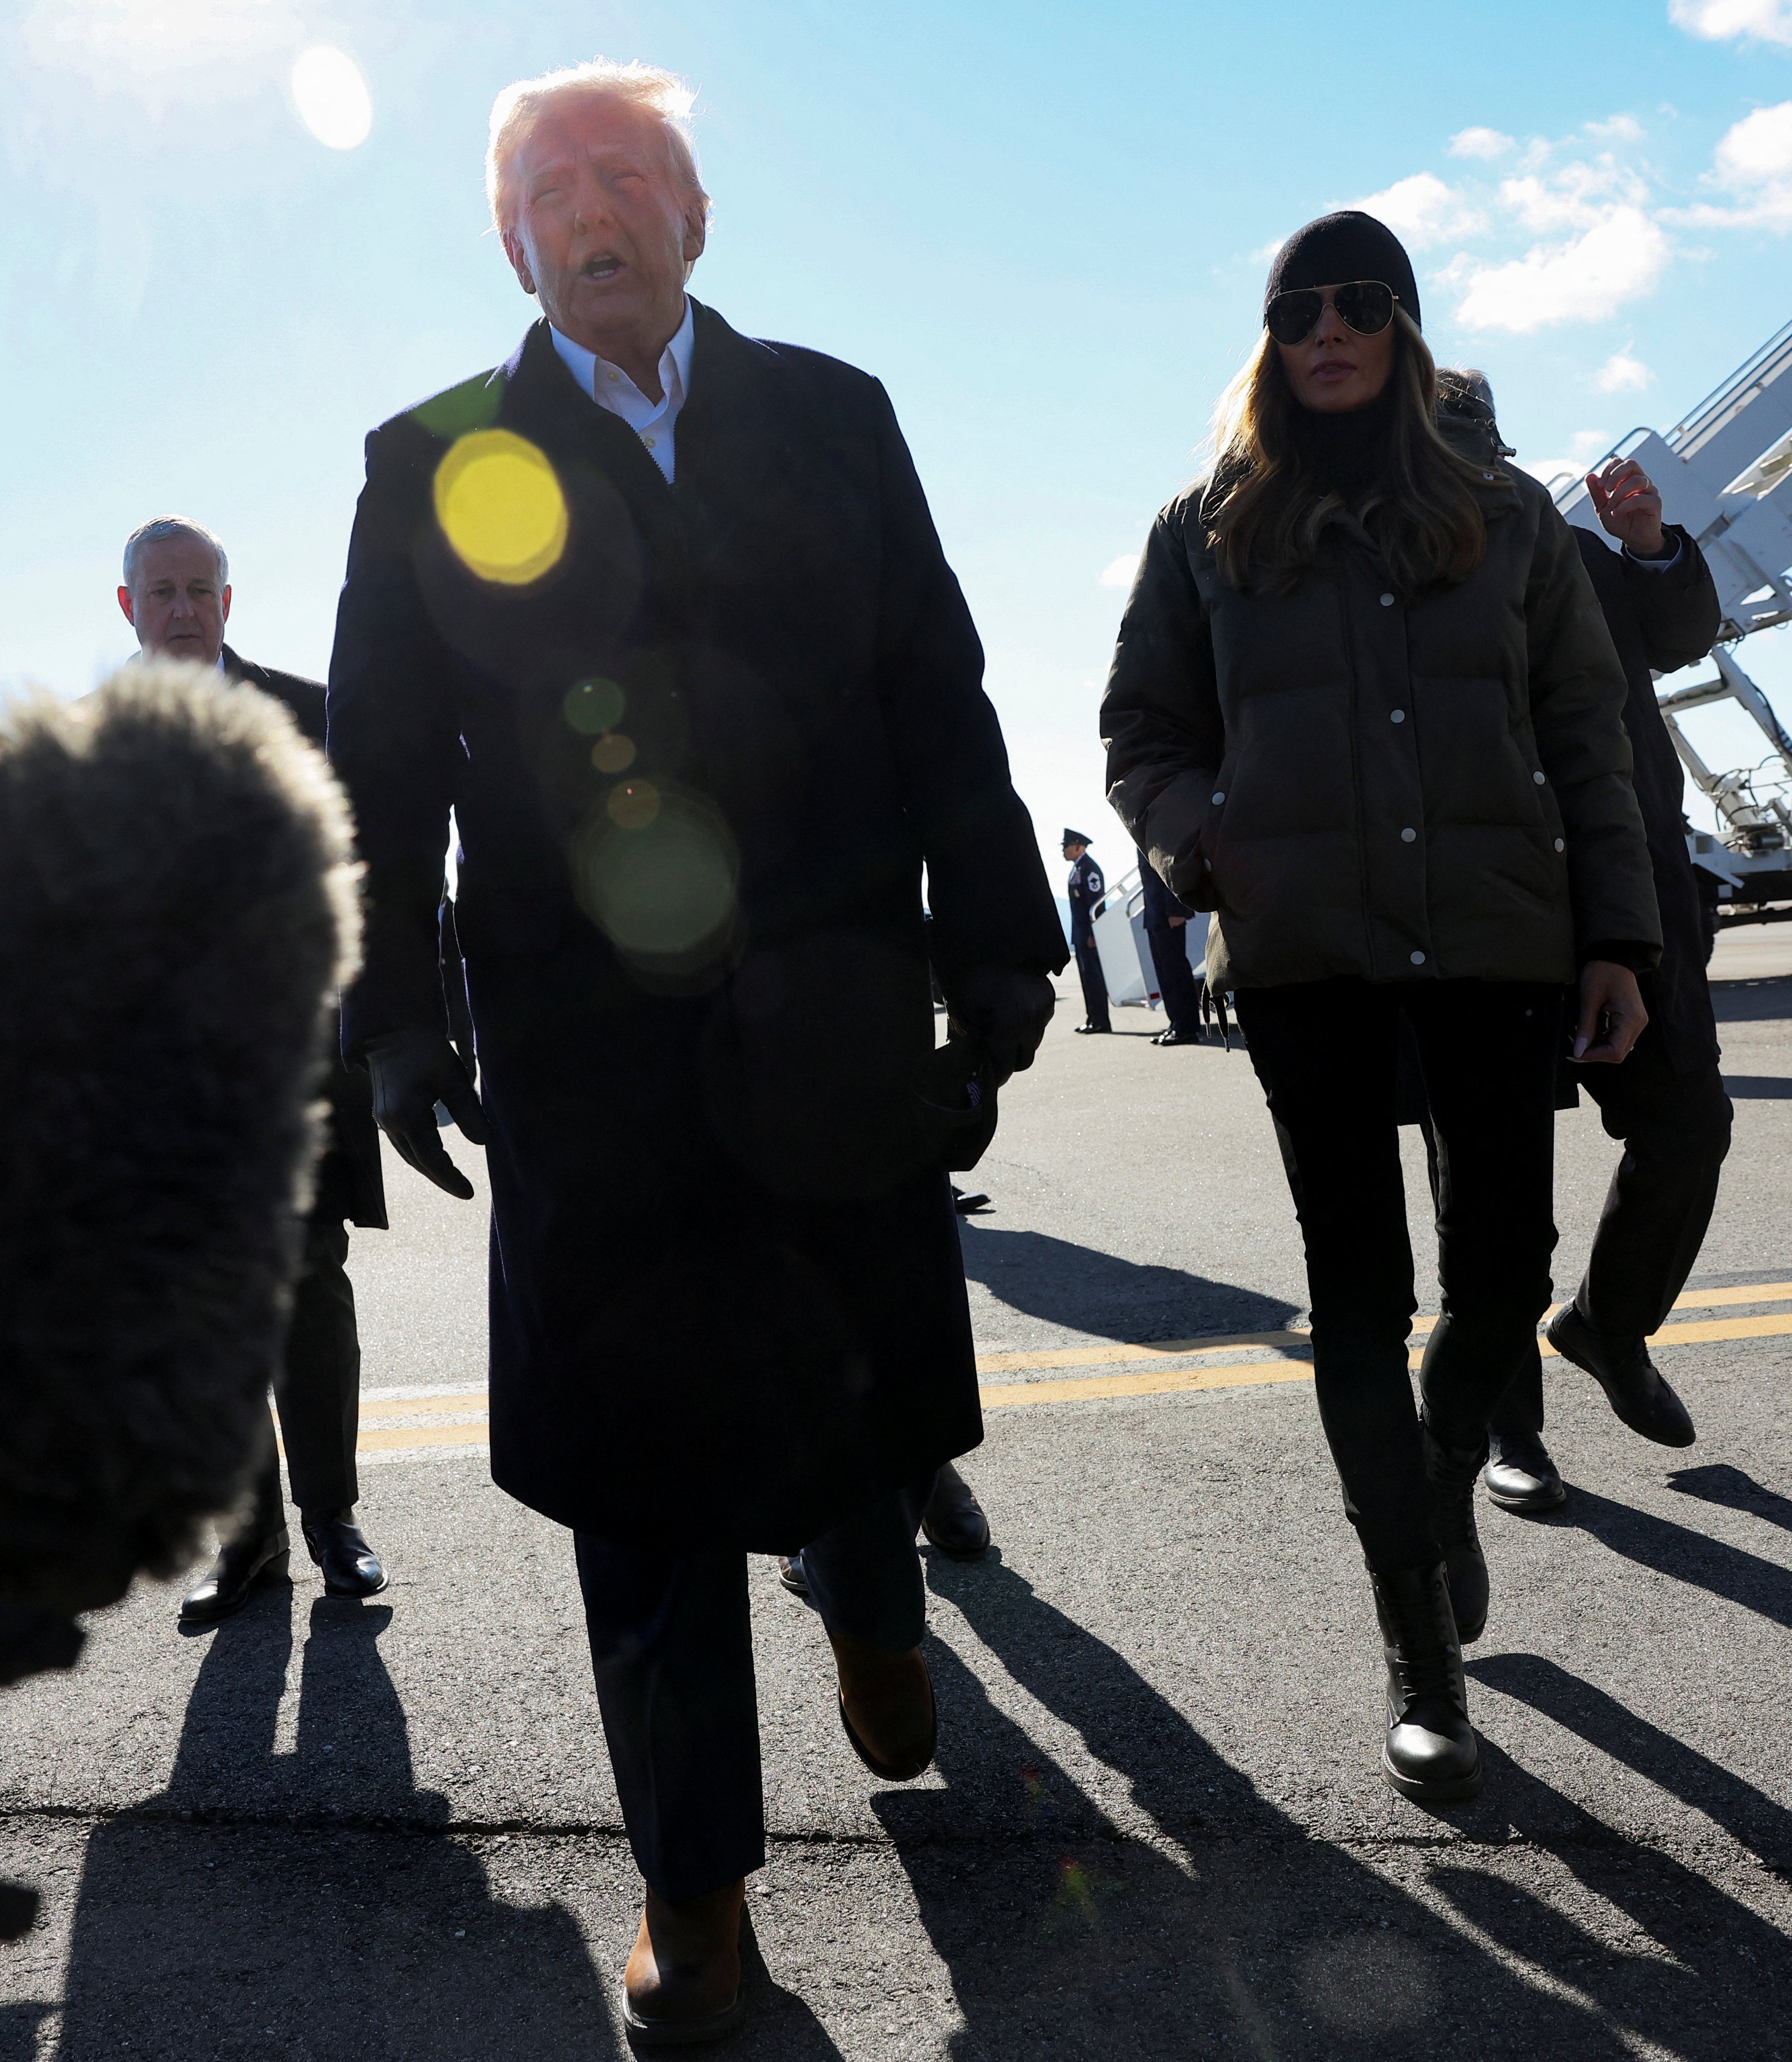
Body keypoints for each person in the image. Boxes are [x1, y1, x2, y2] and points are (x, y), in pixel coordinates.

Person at [326, 62, 1062, 2040]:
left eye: (624, 169)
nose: (592, 204)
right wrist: (395, 1019)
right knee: (639, 1467)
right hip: (582, 1045)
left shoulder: (832, 413)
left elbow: (941, 690)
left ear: (689, 213)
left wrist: (998, 939)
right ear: (511, 242)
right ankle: (694, 1879)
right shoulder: (430, 459)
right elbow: (376, 782)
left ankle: (879, 1597)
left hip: (828, 999)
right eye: (549, 183)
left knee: (852, 1379)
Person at [1099, 211, 1661, 1805]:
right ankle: (1418, 1651)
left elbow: (1586, 734)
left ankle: (1431, 1472)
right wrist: (1202, 835)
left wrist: (1616, 933)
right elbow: (1138, 728)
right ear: (1267, 339)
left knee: (1501, 1277)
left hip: (1496, 942)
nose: (1325, 330)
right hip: (1306, 960)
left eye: (1357, 305)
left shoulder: (1503, 519)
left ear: (1406, 328)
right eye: (1295, 310)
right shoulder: (1202, 532)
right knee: (1357, 1289)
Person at [1433, 392, 1726, 1514]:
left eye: (1487, 457)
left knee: (1689, 1125)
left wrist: (1648, 547)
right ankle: (1514, 1434)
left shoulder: (1568, 552)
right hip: (1484, 918)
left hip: (1624, 891)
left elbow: (1678, 633)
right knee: (1494, 1200)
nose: (1477, 481)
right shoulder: (1389, 574)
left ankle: (1610, 1322)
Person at [115, 516, 394, 1615]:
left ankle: (332, 1519)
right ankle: (249, 1542)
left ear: (228, 604)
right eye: (163, 589)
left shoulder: (314, 716)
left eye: (201, 588)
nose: (183, 606)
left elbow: (375, 872)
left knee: (306, 1291)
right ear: (127, 605)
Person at [1134, 850, 1203, 1046]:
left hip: (1169, 913)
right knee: (1165, 974)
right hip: (1156, 914)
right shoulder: (1143, 832)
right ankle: (1176, 1023)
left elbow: (1172, 867)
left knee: (1176, 972)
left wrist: (1177, 910)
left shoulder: (1157, 828)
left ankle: (1187, 1028)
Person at [1061, 830, 1111, 1034]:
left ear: (1078, 847)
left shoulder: (1089, 869)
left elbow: (1096, 905)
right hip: (1081, 933)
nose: (1063, 850)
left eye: (1067, 846)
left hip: (1089, 934)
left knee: (1094, 977)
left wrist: (1094, 933)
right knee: (1086, 977)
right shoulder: (1078, 868)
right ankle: (1093, 1018)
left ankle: (1101, 1021)